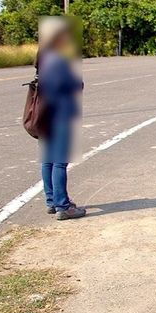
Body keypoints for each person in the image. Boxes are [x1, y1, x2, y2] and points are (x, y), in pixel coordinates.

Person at [37, 17, 86, 220]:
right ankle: (63, 206)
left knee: (48, 159)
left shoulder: (44, 58)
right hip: (61, 113)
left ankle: (51, 200)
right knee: (60, 161)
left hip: (45, 113)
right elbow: (74, 85)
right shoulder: (60, 60)